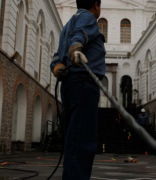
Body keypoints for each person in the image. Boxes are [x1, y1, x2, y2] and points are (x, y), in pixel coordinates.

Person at [50, 0, 106, 179]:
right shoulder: (88, 16)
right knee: (83, 141)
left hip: (70, 85)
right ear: (96, 5)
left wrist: (57, 67)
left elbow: (57, 57)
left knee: (74, 139)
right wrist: (76, 47)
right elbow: (79, 36)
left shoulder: (67, 25)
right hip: (83, 83)